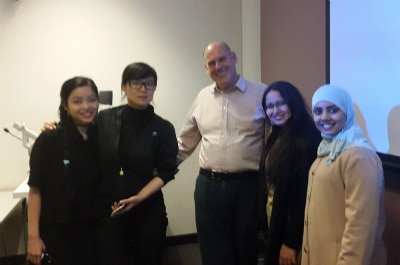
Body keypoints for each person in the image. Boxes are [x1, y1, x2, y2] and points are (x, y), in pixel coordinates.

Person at [177, 42, 267, 264]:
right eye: (211, 63)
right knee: (212, 252)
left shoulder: (261, 93)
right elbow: (184, 143)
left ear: (234, 58)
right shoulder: (203, 97)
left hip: (248, 186)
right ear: (206, 69)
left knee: (245, 250)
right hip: (209, 187)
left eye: (222, 59)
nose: (218, 66)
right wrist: (157, 170)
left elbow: (274, 140)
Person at [94, 62, 178, 265]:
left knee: (148, 259)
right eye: (137, 83)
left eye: (149, 84)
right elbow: (78, 137)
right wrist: (53, 127)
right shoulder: (104, 119)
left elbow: (166, 172)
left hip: (148, 209)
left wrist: (138, 198)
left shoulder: (163, 127)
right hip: (109, 209)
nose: (143, 89)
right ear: (124, 86)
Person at [302, 84, 386, 265]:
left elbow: (360, 227)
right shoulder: (330, 148)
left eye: (333, 110)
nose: (324, 117)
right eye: (318, 111)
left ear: (347, 112)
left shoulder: (359, 156)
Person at [27, 77, 100, 265]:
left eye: (92, 99)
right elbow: (35, 190)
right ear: (65, 106)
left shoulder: (100, 136)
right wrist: (33, 237)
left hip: (91, 227)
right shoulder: (49, 139)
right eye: (77, 101)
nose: (86, 106)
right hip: (56, 230)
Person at [258, 81, 321, 265]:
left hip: (292, 232)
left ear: (293, 103)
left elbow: (303, 197)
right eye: (269, 106)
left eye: (280, 103)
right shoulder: (277, 135)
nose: (274, 110)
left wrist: (291, 243)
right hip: (276, 223)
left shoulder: (307, 140)